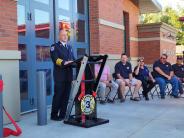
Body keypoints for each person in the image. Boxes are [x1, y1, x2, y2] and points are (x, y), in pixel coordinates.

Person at [50, 29, 75, 121]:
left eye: (66, 35)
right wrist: (65, 62)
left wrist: (78, 63)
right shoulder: (54, 46)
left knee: (66, 96)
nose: (65, 37)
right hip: (60, 76)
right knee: (58, 96)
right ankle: (54, 115)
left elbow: (73, 59)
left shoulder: (69, 47)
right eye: (63, 35)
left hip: (68, 76)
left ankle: (62, 114)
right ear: (59, 36)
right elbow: (55, 59)